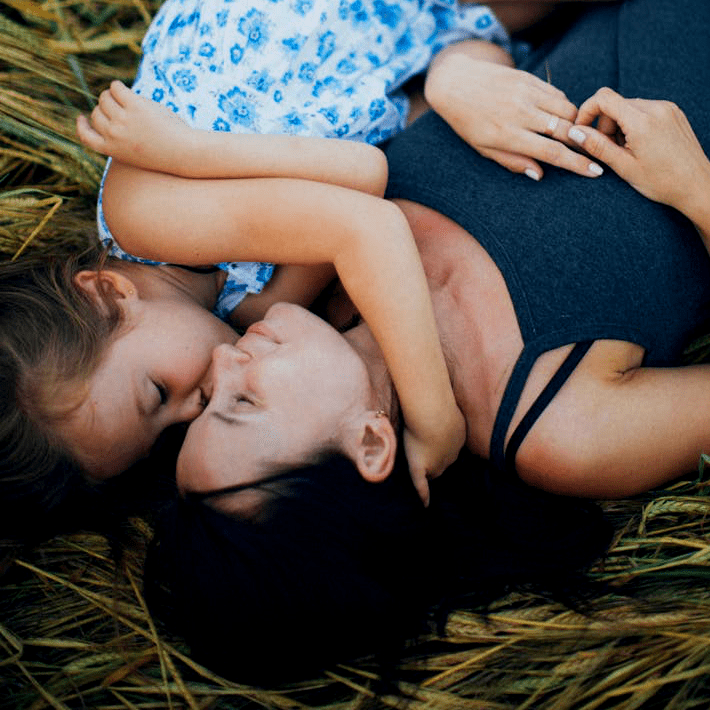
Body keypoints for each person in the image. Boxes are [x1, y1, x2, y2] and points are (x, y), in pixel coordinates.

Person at [142, 0, 710, 679]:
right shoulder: (561, 428)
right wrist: (698, 190)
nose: (222, 361)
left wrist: (453, 78)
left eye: (207, 402)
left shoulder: (311, 260)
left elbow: (417, 42)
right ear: (370, 444)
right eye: (241, 403)